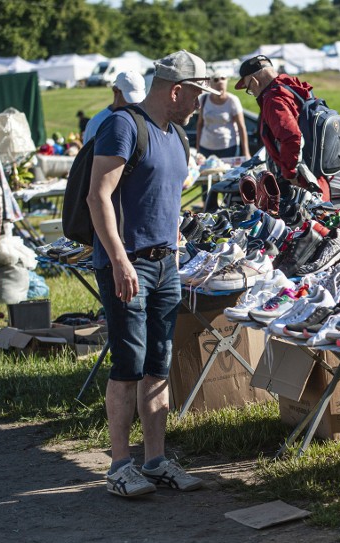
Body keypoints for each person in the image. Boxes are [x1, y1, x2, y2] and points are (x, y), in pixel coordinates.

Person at [87, 49, 220, 498]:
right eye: (197, 94)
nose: (200, 103)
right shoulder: (122, 126)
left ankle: (156, 460)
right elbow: (98, 197)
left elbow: (164, 200)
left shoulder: (176, 135)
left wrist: (178, 253)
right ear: (176, 90)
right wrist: (121, 259)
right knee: (128, 365)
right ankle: (119, 465)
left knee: (158, 365)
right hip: (130, 265)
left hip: (166, 265)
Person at [234, 55, 330, 201]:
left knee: (302, 224)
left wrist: (290, 173)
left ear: (255, 81)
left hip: (301, 185)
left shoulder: (273, 100)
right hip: (317, 177)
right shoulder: (293, 88)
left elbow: (292, 136)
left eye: (249, 88)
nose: (252, 93)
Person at [195, 69, 250, 159]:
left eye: (223, 80)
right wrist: (198, 148)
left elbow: (241, 127)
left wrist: (246, 152)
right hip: (205, 147)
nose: (220, 83)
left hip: (228, 148)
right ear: (211, 84)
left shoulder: (233, 100)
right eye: (216, 80)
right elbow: (199, 124)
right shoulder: (204, 99)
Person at [83, 70, 147, 144]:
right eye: (130, 99)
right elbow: (88, 154)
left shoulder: (144, 119)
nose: (135, 104)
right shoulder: (97, 123)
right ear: (115, 91)